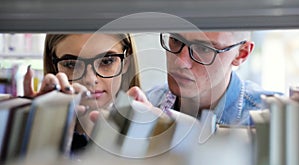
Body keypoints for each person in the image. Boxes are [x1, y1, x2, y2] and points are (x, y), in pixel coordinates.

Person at [23, 33, 144, 151]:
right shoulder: (38, 135)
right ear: (55, 66)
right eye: (71, 64)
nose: (90, 80)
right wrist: (30, 134)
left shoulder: (147, 134)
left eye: (106, 61)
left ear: (126, 62)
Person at [142, 31, 282, 127]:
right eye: (176, 40)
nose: (180, 62)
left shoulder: (276, 121)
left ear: (241, 54)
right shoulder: (147, 105)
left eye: (204, 49)